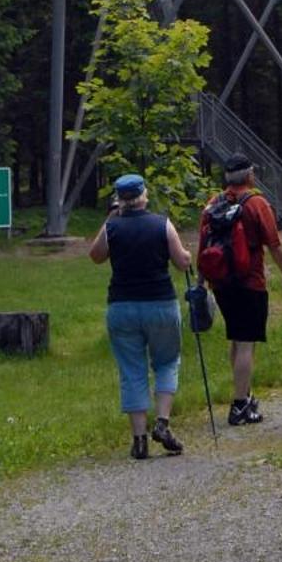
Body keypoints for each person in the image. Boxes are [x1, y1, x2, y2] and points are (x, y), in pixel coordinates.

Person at [89, 171, 193, 459]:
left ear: (119, 200)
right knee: (167, 361)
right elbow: (182, 262)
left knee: (132, 370)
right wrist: (188, 255)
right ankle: (162, 423)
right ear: (144, 196)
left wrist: (110, 219)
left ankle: (139, 440)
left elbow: (95, 256)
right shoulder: (162, 225)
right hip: (160, 302)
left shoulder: (112, 228)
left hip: (121, 306)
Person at [198, 152, 282, 426]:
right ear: (250, 176)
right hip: (250, 282)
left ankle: (245, 393)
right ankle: (240, 405)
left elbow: (204, 244)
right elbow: (275, 245)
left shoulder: (213, 204)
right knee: (245, 342)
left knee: (237, 338)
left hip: (221, 283)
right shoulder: (257, 204)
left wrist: (201, 283)